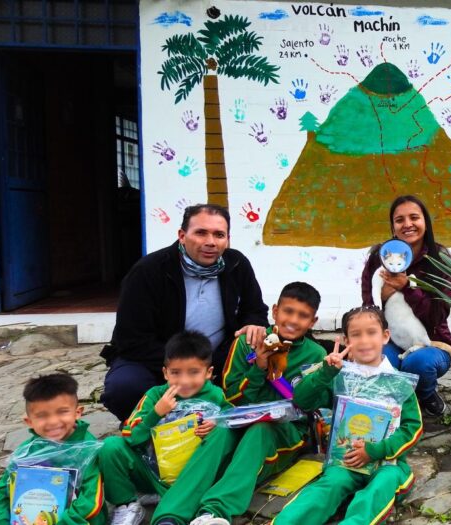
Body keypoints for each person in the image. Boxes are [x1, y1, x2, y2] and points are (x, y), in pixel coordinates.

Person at [152, 282, 327, 525]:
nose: (293, 320)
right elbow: (232, 396)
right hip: (238, 419)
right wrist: (259, 367)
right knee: (219, 436)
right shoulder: (248, 341)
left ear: (313, 322)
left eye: (303, 316)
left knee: (260, 431)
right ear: (275, 311)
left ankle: (214, 511)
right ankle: (169, 515)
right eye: (288, 311)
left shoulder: (316, 355)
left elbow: (307, 405)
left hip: (286, 431)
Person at [101, 204, 269, 421]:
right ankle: (145, 430)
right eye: (201, 233)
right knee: (124, 387)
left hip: (216, 359)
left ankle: (223, 425)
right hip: (156, 360)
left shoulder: (236, 264)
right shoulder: (148, 271)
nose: (210, 242)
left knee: (265, 370)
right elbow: (131, 339)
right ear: (182, 235)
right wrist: (185, 368)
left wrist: (254, 324)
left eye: (219, 235)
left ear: (227, 239)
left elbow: (255, 310)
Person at [272, 306, 421, 525]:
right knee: (327, 487)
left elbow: (412, 428)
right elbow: (302, 400)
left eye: (371, 332)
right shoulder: (339, 377)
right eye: (356, 334)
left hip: (387, 463)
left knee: (380, 488)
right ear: (345, 340)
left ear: (385, 336)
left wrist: (375, 451)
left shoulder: (399, 383)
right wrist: (325, 372)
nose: (364, 340)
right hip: (345, 462)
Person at [99, 331, 232, 525]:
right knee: (111, 446)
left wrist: (217, 422)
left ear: (209, 372)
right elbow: (130, 436)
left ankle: (193, 502)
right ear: (165, 373)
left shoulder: (216, 396)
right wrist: (156, 413)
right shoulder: (155, 396)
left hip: (193, 474)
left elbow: (233, 420)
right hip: (153, 475)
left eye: (194, 372)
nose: (184, 381)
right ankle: (126, 505)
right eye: (176, 373)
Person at [360, 195, 451, 417]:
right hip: (391, 338)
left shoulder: (440, 259)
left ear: (426, 222)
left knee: (417, 363)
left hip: (431, 341)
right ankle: (396, 403)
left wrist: (407, 288)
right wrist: (384, 298)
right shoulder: (379, 257)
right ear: (393, 226)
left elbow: (437, 316)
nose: (407, 225)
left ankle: (426, 393)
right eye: (399, 220)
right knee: (380, 361)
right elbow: (368, 307)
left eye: (414, 217)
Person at [0, 374, 106, 525]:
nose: (53, 422)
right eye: (42, 416)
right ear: (29, 421)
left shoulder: (89, 448)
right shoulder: (27, 451)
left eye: (62, 412)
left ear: (77, 412)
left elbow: (91, 500)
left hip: (77, 520)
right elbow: (2, 493)